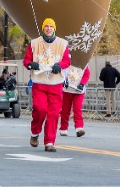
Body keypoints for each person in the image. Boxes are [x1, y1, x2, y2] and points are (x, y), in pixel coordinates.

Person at [23, 18, 71, 152]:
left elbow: (67, 61)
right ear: (43, 28)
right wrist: (30, 64)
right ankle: (35, 133)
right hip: (40, 82)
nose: (49, 28)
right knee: (40, 109)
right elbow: (26, 60)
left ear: (54, 28)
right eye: (46, 26)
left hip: (55, 83)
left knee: (54, 113)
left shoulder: (62, 44)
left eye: (51, 26)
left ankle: (49, 142)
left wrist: (59, 66)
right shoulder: (34, 43)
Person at [59, 64, 89, 137]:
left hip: (78, 90)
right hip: (67, 90)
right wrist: (63, 81)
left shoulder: (83, 62)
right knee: (65, 110)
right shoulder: (66, 62)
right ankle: (63, 128)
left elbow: (86, 74)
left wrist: (82, 83)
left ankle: (79, 127)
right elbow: (61, 72)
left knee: (77, 109)